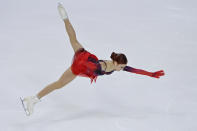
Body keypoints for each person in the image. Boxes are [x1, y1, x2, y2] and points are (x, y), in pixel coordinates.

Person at [21, 3, 165, 116]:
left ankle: (65, 17)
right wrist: (79, 68)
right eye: (121, 67)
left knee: (73, 39)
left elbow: (134, 70)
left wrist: (151, 74)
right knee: (59, 83)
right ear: (115, 63)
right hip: (82, 64)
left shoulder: (115, 66)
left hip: (84, 55)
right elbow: (94, 68)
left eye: (122, 67)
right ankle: (32, 99)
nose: (122, 69)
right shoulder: (103, 67)